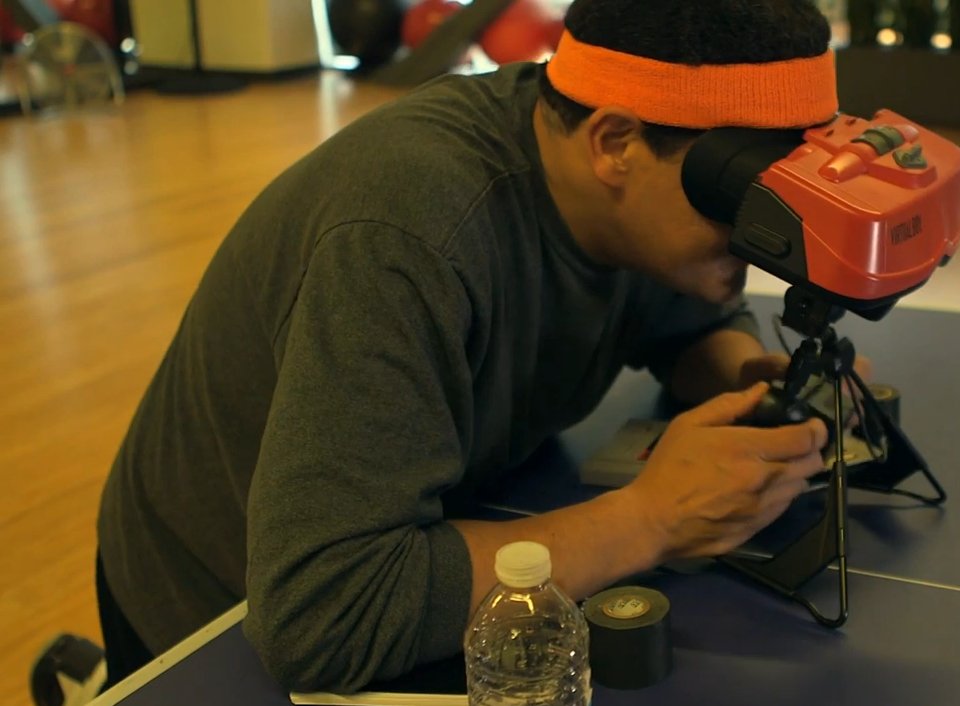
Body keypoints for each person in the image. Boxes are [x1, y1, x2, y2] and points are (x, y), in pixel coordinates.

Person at [34, 0, 852, 701]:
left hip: (427, 503)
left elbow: (680, 320)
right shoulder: (409, 233)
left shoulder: (624, 185)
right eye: (741, 199)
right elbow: (327, 611)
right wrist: (651, 518)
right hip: (209, 596)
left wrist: (746, 376)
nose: (765, 236)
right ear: (614, 144)